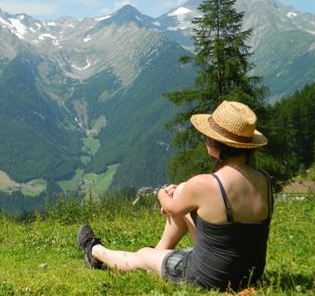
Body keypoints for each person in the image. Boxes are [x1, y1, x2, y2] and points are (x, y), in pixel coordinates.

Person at [76, 100, 273, 291]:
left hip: (208, 278)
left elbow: (170, 208)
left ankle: (94, 251)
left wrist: (162, 192)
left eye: (207, 136)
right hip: (249, 275)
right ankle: (157, 257)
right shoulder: (264, 180)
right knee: (181, 194)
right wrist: (180, 192)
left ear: (217, 144)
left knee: (143, 255)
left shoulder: (205, 183)